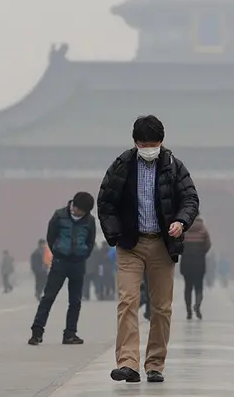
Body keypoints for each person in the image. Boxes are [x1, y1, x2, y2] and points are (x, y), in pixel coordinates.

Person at [98, 115, 199, 384]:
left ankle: (155, 363)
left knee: (161, 307)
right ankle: (128, 363)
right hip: (130, 244)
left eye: (153, 143)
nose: (149, 148)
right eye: (144, 144)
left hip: (162, 244)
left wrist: (181, 221)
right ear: (135, 142)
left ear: (161, 142)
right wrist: (115, 234)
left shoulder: (174, 167)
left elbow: (190, 198)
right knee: (127, 301)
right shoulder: (122, 166)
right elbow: (105, 201)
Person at [28, 192, 96, 346]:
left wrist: (83, 253)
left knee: (75, 301)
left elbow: (90, 241)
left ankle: (70, 334)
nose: (81, 214)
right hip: (60, 262)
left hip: (78, 263)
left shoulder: (90, 220)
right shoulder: (59, 215)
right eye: (80, 210)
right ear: (74, 206)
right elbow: (51, 237)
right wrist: (58, 252)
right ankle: (37, 332)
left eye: (85, 212)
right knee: (48, 297)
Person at [180, 215, 211, 320]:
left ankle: (188, 310)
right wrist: (201, 253)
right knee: (199, 287)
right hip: (199, 262)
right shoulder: (203, 230)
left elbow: (179, 243)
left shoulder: (184, 229)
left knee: (187, 288)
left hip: (186, 262)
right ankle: (197, 305)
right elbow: (207, 245)